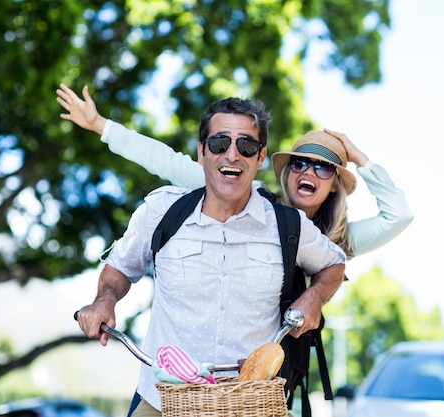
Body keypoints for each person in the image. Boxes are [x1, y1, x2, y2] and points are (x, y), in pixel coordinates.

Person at [73, 96, 347, 417]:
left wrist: (314, 298)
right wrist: (104, 299)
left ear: (259, 158)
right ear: (202, 151)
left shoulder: (288, 224)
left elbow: (333, 264)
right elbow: (120, 268)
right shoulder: (162, 211)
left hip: (251, 405)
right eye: (219, 142)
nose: (232, 154)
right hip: (164, 400)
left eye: (246, 146)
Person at [56, 84, 414, 260]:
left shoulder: (337, 241)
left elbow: (399, 216)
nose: (309, 172)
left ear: (334, 185)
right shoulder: (247, 195)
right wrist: (102, 126)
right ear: (286, 172)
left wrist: (360, 158)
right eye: (301, 163)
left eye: (323, 168)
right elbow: (168, 162)